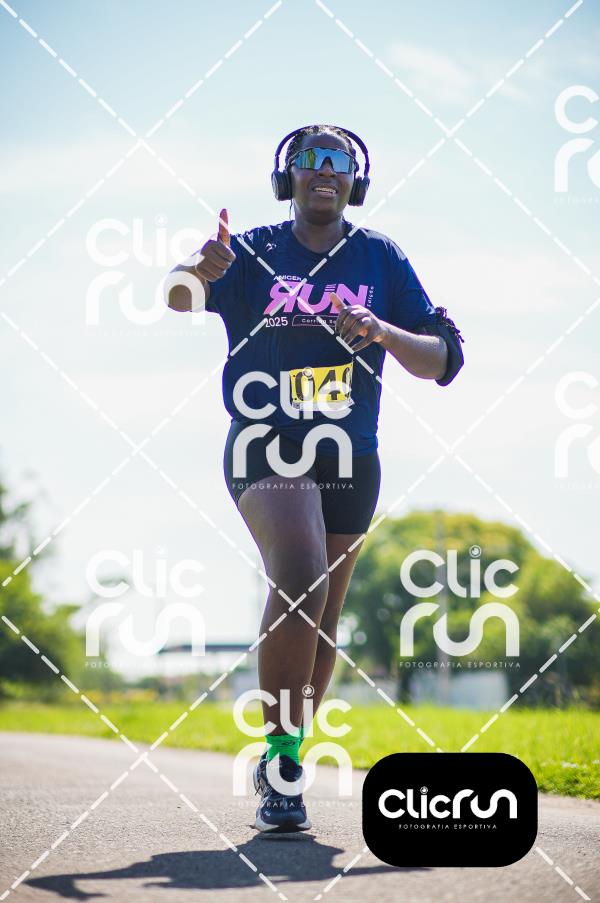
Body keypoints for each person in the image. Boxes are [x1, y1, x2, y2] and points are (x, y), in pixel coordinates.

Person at [166, 124, 465, 833]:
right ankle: (278, 765)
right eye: (309, 159)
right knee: (301, 577)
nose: (323, 169)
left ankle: (290, 754)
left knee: (323, 614)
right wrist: (197, 268)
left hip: (350, 455)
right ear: (288, 177)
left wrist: (383, 330)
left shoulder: (380, 257)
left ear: (354, 181)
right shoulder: (252, 252)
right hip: (265, 440)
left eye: (338, 160)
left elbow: (443, 359)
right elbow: (178, 297)